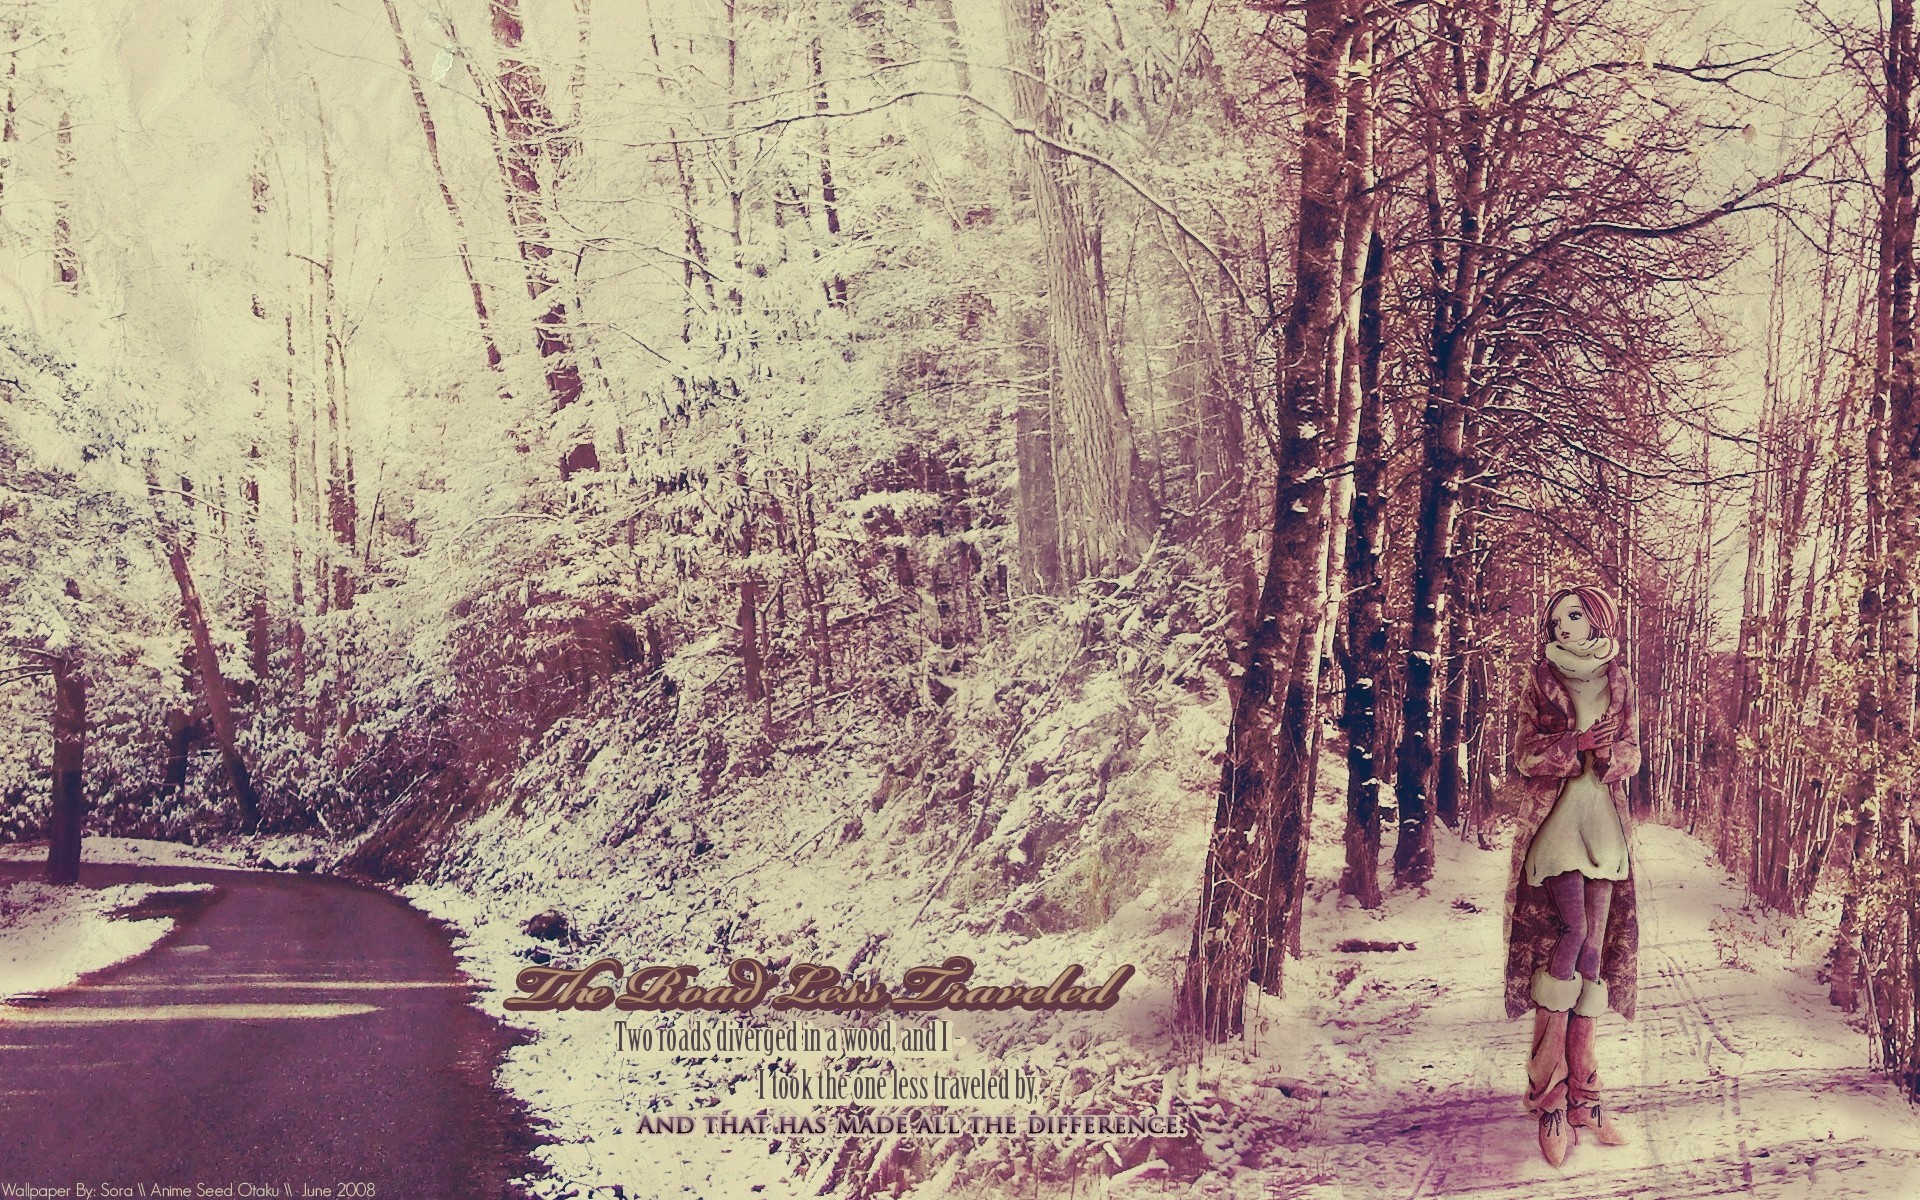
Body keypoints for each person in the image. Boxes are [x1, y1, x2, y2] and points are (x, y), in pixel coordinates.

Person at [1502, 585, 1640, 1166]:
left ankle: (1586, 1096)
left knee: (1594, 957)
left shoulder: (1620, 679)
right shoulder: (1540, 678)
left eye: (1574, 615)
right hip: (1556, 825)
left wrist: (1609, 754)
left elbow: (1633, 752)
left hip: (1604, 824)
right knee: (1572, 936)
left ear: (1598, 619)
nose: (1563, 625)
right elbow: (1522, 753)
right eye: (1555, 617)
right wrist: (1572, 744)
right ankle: (1548, 1096)